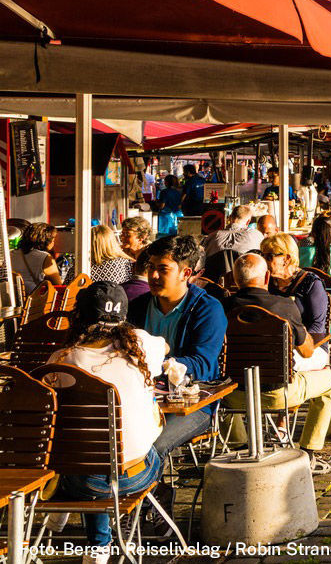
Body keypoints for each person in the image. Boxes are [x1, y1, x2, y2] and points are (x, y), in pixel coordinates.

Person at [48, 282, 168, 563]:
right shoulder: (142, 346)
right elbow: (164, 346)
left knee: (88, 460)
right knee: (131, 452)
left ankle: (93, 540)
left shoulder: (62, 360)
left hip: (82, 480)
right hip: (137, 474)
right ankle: (95, 543)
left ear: (80, 316)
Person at [223, 252, 331, 470]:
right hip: (278, 395)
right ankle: (308, 450)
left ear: (235, 279)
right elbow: (306, 352)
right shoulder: (284, 306)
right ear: (267, 277)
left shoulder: (222, 307)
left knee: (217, 392)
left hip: (233, 397)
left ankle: (239, 444)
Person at [127, 236, 227, 455]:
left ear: (186, 273)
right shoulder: (138, 306)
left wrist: (156, 362)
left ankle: (152, 488)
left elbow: (201, 364)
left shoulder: (207, 309)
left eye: (163, 269)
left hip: (194, 404)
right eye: (151, 267)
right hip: (142, 399)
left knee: (153, 446)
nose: (153, 275)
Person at [202, 205, 266, 283]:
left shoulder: (211, 237)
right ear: (248, 221)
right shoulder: (256, 235)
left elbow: (202, 262)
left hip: (214, 287)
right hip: (247, 284)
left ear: (230, 218)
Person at [10, 222, 63, 294]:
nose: (53, 243)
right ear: (45, 240)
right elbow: (58, 284)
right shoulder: (45, 257)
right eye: (53, 240)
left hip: (12, 297)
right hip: (33, 299)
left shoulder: (11, 254)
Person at [118, 215, 155, 300]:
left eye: (127, 235)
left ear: (141, 237)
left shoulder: (151, 253)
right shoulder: (122, 251)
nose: (122, 238)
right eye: (122, 234)